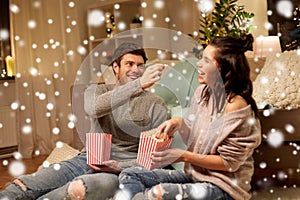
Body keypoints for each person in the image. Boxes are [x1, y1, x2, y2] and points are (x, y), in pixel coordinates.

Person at [0, 42, 168, 199]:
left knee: (79, 189)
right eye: (129, 64)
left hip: (119, 169)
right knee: (21, 185)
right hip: (86, 159)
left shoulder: (155, 103)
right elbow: (93, 109)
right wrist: (137, 85)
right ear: (115, 67)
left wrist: (119, 166)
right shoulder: (97, 91)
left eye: (140, 65)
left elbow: (157, 156)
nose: (136, 70)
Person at [118, 34, 262, 200]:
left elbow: (229, 163)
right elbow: (194, 139)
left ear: (223, 67)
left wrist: (182, 156)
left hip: (224, 187)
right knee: (129, 175)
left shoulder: (235, 105)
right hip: (195, 176)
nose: (198, 64)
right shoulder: (202, 93)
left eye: (206, 61)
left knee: (158, 193)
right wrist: (178, 123)